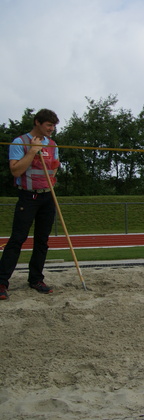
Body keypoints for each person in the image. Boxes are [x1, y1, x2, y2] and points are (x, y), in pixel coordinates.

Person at [0, 109, 60, 301]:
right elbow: (15, 171)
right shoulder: (20, 142)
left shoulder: (52, 144)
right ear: (37, 123)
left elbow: (55, 167)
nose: (52, 129)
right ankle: (1, 282)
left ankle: (36, 279)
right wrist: (33, 151)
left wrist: (52, 179)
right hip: (27, 197)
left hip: (47, 197)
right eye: (49, 125)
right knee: (17, 239)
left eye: (53, 126)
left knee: (42, 241)